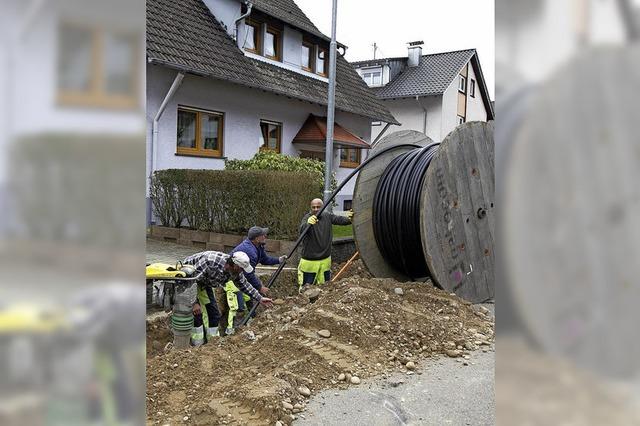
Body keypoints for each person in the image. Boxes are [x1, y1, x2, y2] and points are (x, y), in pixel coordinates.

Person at [182, 250, 273, 346]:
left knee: (214, 314)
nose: (242, 271)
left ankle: (212, 344)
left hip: (204, 282)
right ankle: (197, 345)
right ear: (235, 266)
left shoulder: (235, 271)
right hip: (187, 279)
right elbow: (189, 281)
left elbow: (244, 285)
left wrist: (260, 298)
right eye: (241, 269)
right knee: (197, 313)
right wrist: (194, 303)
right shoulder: (210, 262)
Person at [223, 226, 287, 334]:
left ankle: (248, 327)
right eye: (263, 235)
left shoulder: (258, 246)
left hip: (242, 280)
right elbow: (249, 274)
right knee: (239, 308)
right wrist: (260, 287)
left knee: (249, 304)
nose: (265, 236)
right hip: (233, 281)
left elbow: (265, 259)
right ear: (256, 238)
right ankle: (232, 333)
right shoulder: (250, 251)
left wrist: (278, 260)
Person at [298, 198, 353, 290]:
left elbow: (340, 220)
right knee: (306, 288)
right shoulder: (307, 218)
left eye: (318, 207)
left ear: (322, 207)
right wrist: (308, 224)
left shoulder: (327, 216)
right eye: (313, 207)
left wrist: (350, 218)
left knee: (324, 288)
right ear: (310, 208)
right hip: (309, 262)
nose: (316, 209)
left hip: (324, 261)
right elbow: (301, 230)